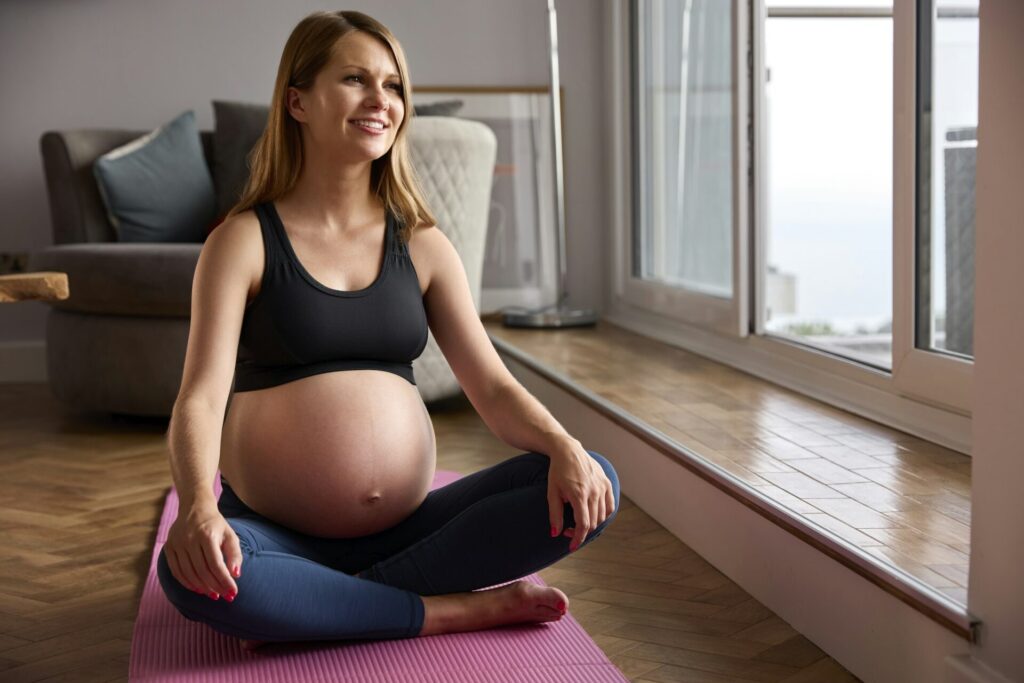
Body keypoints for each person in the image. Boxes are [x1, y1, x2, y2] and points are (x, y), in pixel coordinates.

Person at [156, 9, 620, 649]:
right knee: (190, 578)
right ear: (298, 101)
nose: (382, 100)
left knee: (592, 481)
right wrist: (197, 509)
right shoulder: (242, 241)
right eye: (355, 79)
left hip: (413, 528)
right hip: (274, 532)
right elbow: (201, 398)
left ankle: (327, 604)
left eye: (394, 85)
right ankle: (453, 610)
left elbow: (492, 386)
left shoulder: (424, 245)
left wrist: (564, 444)